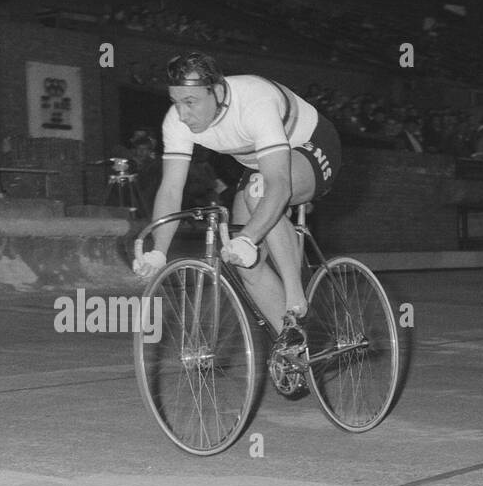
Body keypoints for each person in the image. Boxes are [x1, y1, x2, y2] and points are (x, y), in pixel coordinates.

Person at [133, 52, 342, 397]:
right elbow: (171, 189)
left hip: (311, 147)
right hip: (264, 163)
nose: (183, 114)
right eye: (175, 102)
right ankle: (296, 343)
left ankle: (296, 301)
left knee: (260, 198)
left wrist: (251, 235)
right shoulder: (177, 120)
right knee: (245, 261)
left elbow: (279, 185)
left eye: (191, 102)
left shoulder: (254, 102)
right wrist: (159, 250)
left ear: (217, 90)